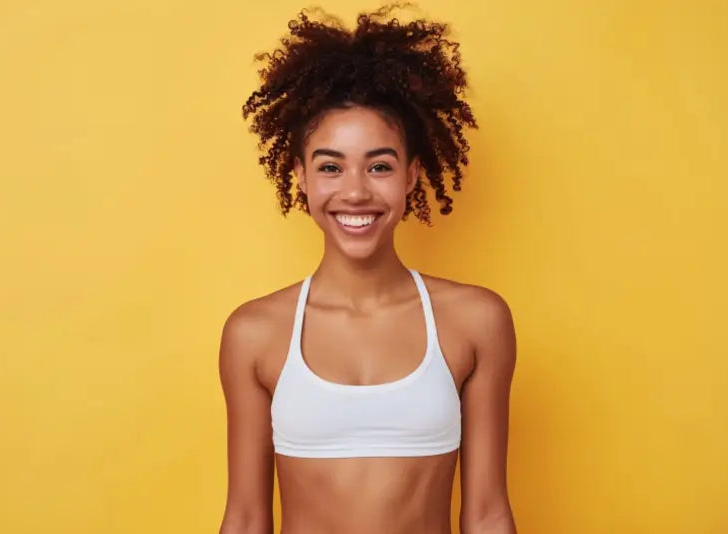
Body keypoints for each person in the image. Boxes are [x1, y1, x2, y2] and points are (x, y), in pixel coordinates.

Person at [218, 5, 517, 533]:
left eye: (379, 165)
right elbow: (244, 519)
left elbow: (488, 514)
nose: (355, 191)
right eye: (330, 166)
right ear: (301, 178)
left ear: (411, 177)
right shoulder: (254, 334)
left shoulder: (476, 322)